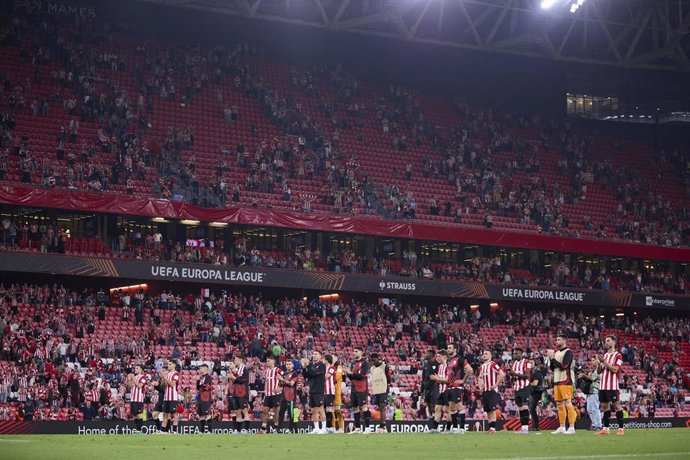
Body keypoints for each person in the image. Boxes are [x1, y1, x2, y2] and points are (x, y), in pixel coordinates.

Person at [548, 333, 577, 435]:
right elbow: (552, 368)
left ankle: (572, 427)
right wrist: (551, 359)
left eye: (559, 339)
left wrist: (553, 359)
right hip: (557, 381)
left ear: (564, 341)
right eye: (556, 339)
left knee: (568, 403)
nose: (557, 341)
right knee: (559, 404)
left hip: (565, 380)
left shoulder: (568, 352)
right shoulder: (556, 353)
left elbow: (563, 366)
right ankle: (562, 426)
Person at [596, 335, 625, 436]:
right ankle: (606, 429)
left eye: (608, 341)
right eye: (605, 341)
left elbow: (615, 370)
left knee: (617, 405)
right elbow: (599, 371)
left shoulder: (618, 355)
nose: (606, 342)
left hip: (612, 386)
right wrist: (599, 363)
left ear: (614, 342)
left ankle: (621, 428)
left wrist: (604, 362)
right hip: (603, 385)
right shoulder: (605, 355)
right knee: (605, 407)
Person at [447, 343, 473, 433]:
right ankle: (454, 428)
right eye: (448, 348)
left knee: (459, 406)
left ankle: (461, 428)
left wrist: (463, 380)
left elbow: (470, 369)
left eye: (450, 348)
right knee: (452, 407)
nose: (448, 349)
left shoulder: (460, 359)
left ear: (455, 350)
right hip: (450, 386)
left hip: (457, 386)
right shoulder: (450, 360)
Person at [343, 346, 370, 434]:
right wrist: (347, 373)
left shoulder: (365, 363)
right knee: (355, 408)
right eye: (353, 351)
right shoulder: (353, 363)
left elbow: (362, 375)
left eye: (356, 351)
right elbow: (352, 377)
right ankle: (357, 428)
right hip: (353, 388)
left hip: (362, 388)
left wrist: (351, 373)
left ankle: (368, 428)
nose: (354, 353)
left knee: (363, 407)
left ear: (361, 352)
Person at [478, 349, 504, 434]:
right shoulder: (482, 366)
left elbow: (502, 374)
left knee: (492, 410)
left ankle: (493, 428)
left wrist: (496, 385)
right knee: (488, 410)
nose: (484, 355)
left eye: (486, 354)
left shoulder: (493, 364)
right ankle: (490, 428)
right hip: (485, 391)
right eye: (483, 353)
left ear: (490, 356)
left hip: (492, 391)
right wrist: (480, 385)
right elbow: (480, 377)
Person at [508, 347, 533, 434]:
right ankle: (523, 427)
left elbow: (527, 376)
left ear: (521, 354)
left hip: (524, 387)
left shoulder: (527, 362)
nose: (515, 355)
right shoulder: (514, 363)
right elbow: (513, 376)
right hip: (517, 387)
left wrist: (514, 374)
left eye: (517, 353)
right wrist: (511, 377)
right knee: (520, 408)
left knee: (525, 407)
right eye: (514, 353)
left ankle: (526, 428)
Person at [301, 350, 327, 434]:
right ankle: (316, 428)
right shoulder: (312, 365)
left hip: (319, 390)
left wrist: (307, 365)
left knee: (320, 409)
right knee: (313, 410)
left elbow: (314, 374)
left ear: (320, 356)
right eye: (313, 354)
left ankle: (323, 428)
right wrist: (304, 367)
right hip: (311, 390)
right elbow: (306, 375)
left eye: (316, 354)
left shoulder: (322, 366)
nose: (314, 356)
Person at [369, 352, 392, 433]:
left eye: (374, 359)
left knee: (382, 407)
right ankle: (383, 425)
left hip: (383, 389)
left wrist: (385, 385)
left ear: (378, 358)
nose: (373, 361)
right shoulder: (371, 369)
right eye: (371, 360)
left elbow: (389, 379)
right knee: (379, 408)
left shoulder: (384, 366)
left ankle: (382, 426)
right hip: (376, 390)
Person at [578, 357, 602, 431]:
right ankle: (594, 424)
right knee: (589, 410)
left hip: (595, 391)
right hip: (590, 392)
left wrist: (584, 375)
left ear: (598, 361)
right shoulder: (592, 370)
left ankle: (599, 425)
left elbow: (592, 379)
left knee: (595, 409)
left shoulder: (599, 370)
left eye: (594, 360)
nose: (592, 362)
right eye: (591, 360)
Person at [228, 355, 250, 433]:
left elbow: (242, 380)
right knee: (237, 412)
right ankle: (238, 430)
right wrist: (231, 377)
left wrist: (233, 377)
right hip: (236, 392)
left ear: (240, 360)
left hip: (243, 392)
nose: (235, 361)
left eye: (236, 360)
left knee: (244, 411)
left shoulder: (245, 369)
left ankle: (247, 430)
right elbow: (235, 381)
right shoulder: (237, 369)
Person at [260, 356, 282, 434]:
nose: (267, 362)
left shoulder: (278, 370)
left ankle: (276, 429)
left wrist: (280, 388)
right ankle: (263, 429)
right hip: (268, 394)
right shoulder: (266, 371)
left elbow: (283, 379)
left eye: (268, 361)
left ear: (273, 361)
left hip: (276, 394)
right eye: (267, 361)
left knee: (276, 412)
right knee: (265, 411)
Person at [429, 350, 450, 433]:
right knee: (437, 408)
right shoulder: (440, 366)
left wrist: (437, 378)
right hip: (441, 390)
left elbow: (448, 380)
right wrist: (436, 379)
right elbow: (440, 380)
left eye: (439, 356)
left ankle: (448, 428)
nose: (437, 358)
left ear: (444, 357)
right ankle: (434, 428)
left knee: (447, 410)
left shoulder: (448, 366)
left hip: (448, 391)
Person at [277, 359, 299, 433]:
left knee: (291, 413)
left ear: (292, 365)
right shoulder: (284, 373)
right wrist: (279, 382)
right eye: (287, 364)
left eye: (289, 364)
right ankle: (278, 429)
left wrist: (282, 379)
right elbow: (281, 385)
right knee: (281, 413)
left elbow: (291, 383)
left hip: (291, 397)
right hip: (283, 396)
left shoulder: (294, 373)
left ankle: (290, 429)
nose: (288, 365)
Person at [528, 352, 546, 431]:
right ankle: (535, 426)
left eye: (531, 363)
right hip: (535, 392)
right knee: (532, 409)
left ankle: (535, 426)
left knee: (532, 409)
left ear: (535, 364)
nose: (529, 364)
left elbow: (535, 384)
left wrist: (527, 384)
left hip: (536, 392)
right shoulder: (533, 372)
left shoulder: (536, 373)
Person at [127, 364, 148, 432]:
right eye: (135, 368)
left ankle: (139, 430)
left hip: (138, 399)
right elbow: (129, 387)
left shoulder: (143, 377)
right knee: (134, 415)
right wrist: (129, 380)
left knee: (139, 415)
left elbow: (139, 386)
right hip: (133, 398)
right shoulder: (135, 377)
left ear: (141, 370)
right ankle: (137, 430)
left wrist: (133, 379)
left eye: (137, 368)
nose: (135, 369)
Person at [161, 360, 180, 434]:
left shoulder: (176, 374)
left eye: (169, 364)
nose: (168, 365)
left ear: (174, 365)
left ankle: (174, 431)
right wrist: (163, 379)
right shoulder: (168, 374)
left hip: (173, 397)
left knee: (174, 414)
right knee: (165, 414)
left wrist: (165, 378)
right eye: (168, 364)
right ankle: (163, 431)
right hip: (166, 397)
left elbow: (172, 384)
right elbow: (165, 386)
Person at [421, 349, 439, 423]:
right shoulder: (425, 366)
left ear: (433, 357)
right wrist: (422, 391)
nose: (428, 360)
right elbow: (423, 378)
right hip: (427, 389)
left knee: (434, 406)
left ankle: (436, 423)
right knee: (429, 407)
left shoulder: (438, 365)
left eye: (429, 358)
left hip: (435, 388)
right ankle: (432, 421)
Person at [196, 363, 213, 433]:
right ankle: (202, 431)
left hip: (206, 398)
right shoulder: (201, 377)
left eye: (201, 368)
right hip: (200, 398)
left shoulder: (208, 377)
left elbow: (205, 386)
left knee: (207, 414)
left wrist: (200, 380)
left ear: (205, 368)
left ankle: (209, 431)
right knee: (201, 415)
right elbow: (198, 387)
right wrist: (197, 380)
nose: (199, 369)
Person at [323, 354, 337, 433]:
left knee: (329, 409)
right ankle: (326, 427)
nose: (322, 360)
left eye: (323, 359)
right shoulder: (324, 368)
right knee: (324, 409)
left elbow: (327, 376)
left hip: (330, 391)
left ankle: (330, 427)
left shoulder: (332, 367)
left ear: (327, 360)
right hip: (323, 391)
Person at [333, 356, 345, 433]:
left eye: (333, 357)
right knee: (330, 411)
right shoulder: (328, 367)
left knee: (337, 411)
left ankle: (341, 428)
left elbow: (337, 376)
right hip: (328, 392)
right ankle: (332, 428)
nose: (332, 358)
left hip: (336, 392)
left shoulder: (339, 367)